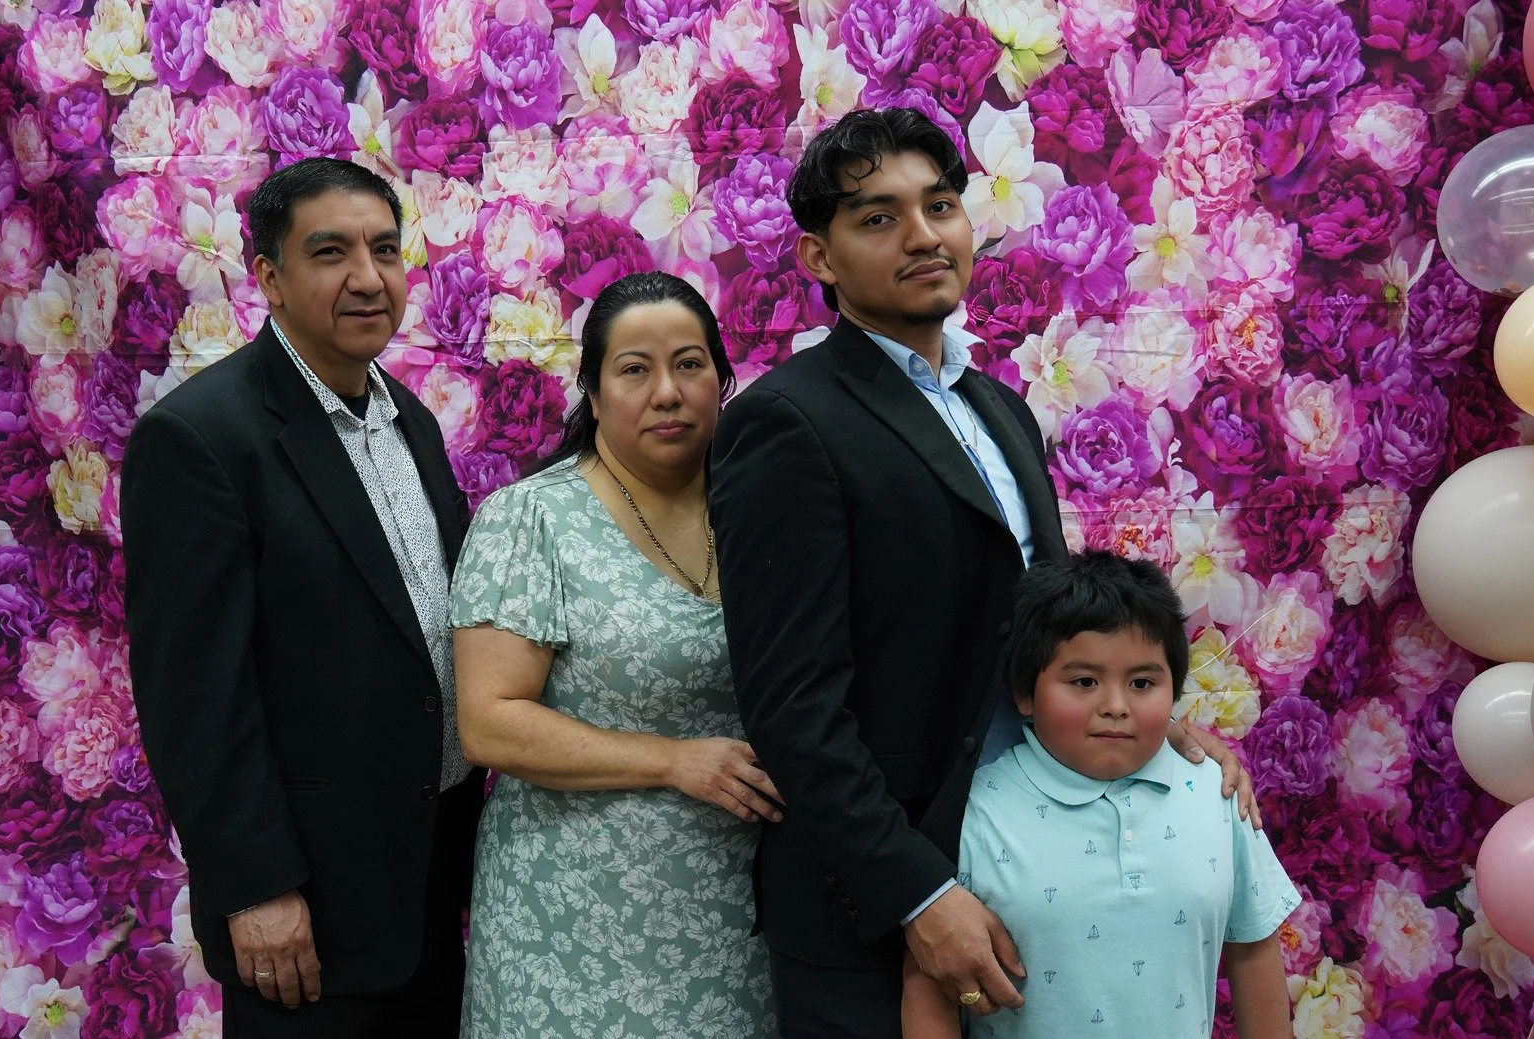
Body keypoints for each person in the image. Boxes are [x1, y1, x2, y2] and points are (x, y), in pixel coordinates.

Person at [709, 107, 1255, 1038]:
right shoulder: (787, 421)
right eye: (878, 217)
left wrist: (1153, 724)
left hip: (1029, 871)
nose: (924, 235)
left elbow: (1035, 632)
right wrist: (920, 895)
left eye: (942, 205)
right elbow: (794, 707)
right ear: (817, 258)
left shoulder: (998, 405)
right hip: (878, 902)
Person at [122, 157, 481, 1038]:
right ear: (270, 279)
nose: (367, 278)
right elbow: (192, 693)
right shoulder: (202, 438)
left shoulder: (411, 419)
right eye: (331, 252)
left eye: (386, 250)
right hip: (306, 903)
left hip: (430, 871)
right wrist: (255, 886)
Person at [451, 272, 779, 1037]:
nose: (667, 391)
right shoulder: (531, 519)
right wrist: (670, 760)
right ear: (594, 393)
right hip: (573, 919)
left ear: (722, 383)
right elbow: (490, 723)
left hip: (739, 912)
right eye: (635, 369)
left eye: (690, 364)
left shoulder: (768, 507)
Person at [900, 551, 1297, 1039]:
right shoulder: (974, 813)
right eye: (1084, 681)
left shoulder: (1219, 793)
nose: (1115, 706)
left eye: (1142, 682)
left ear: (1174, 692)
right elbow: (928, 979)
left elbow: (1253, 947)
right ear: (1025, 692)